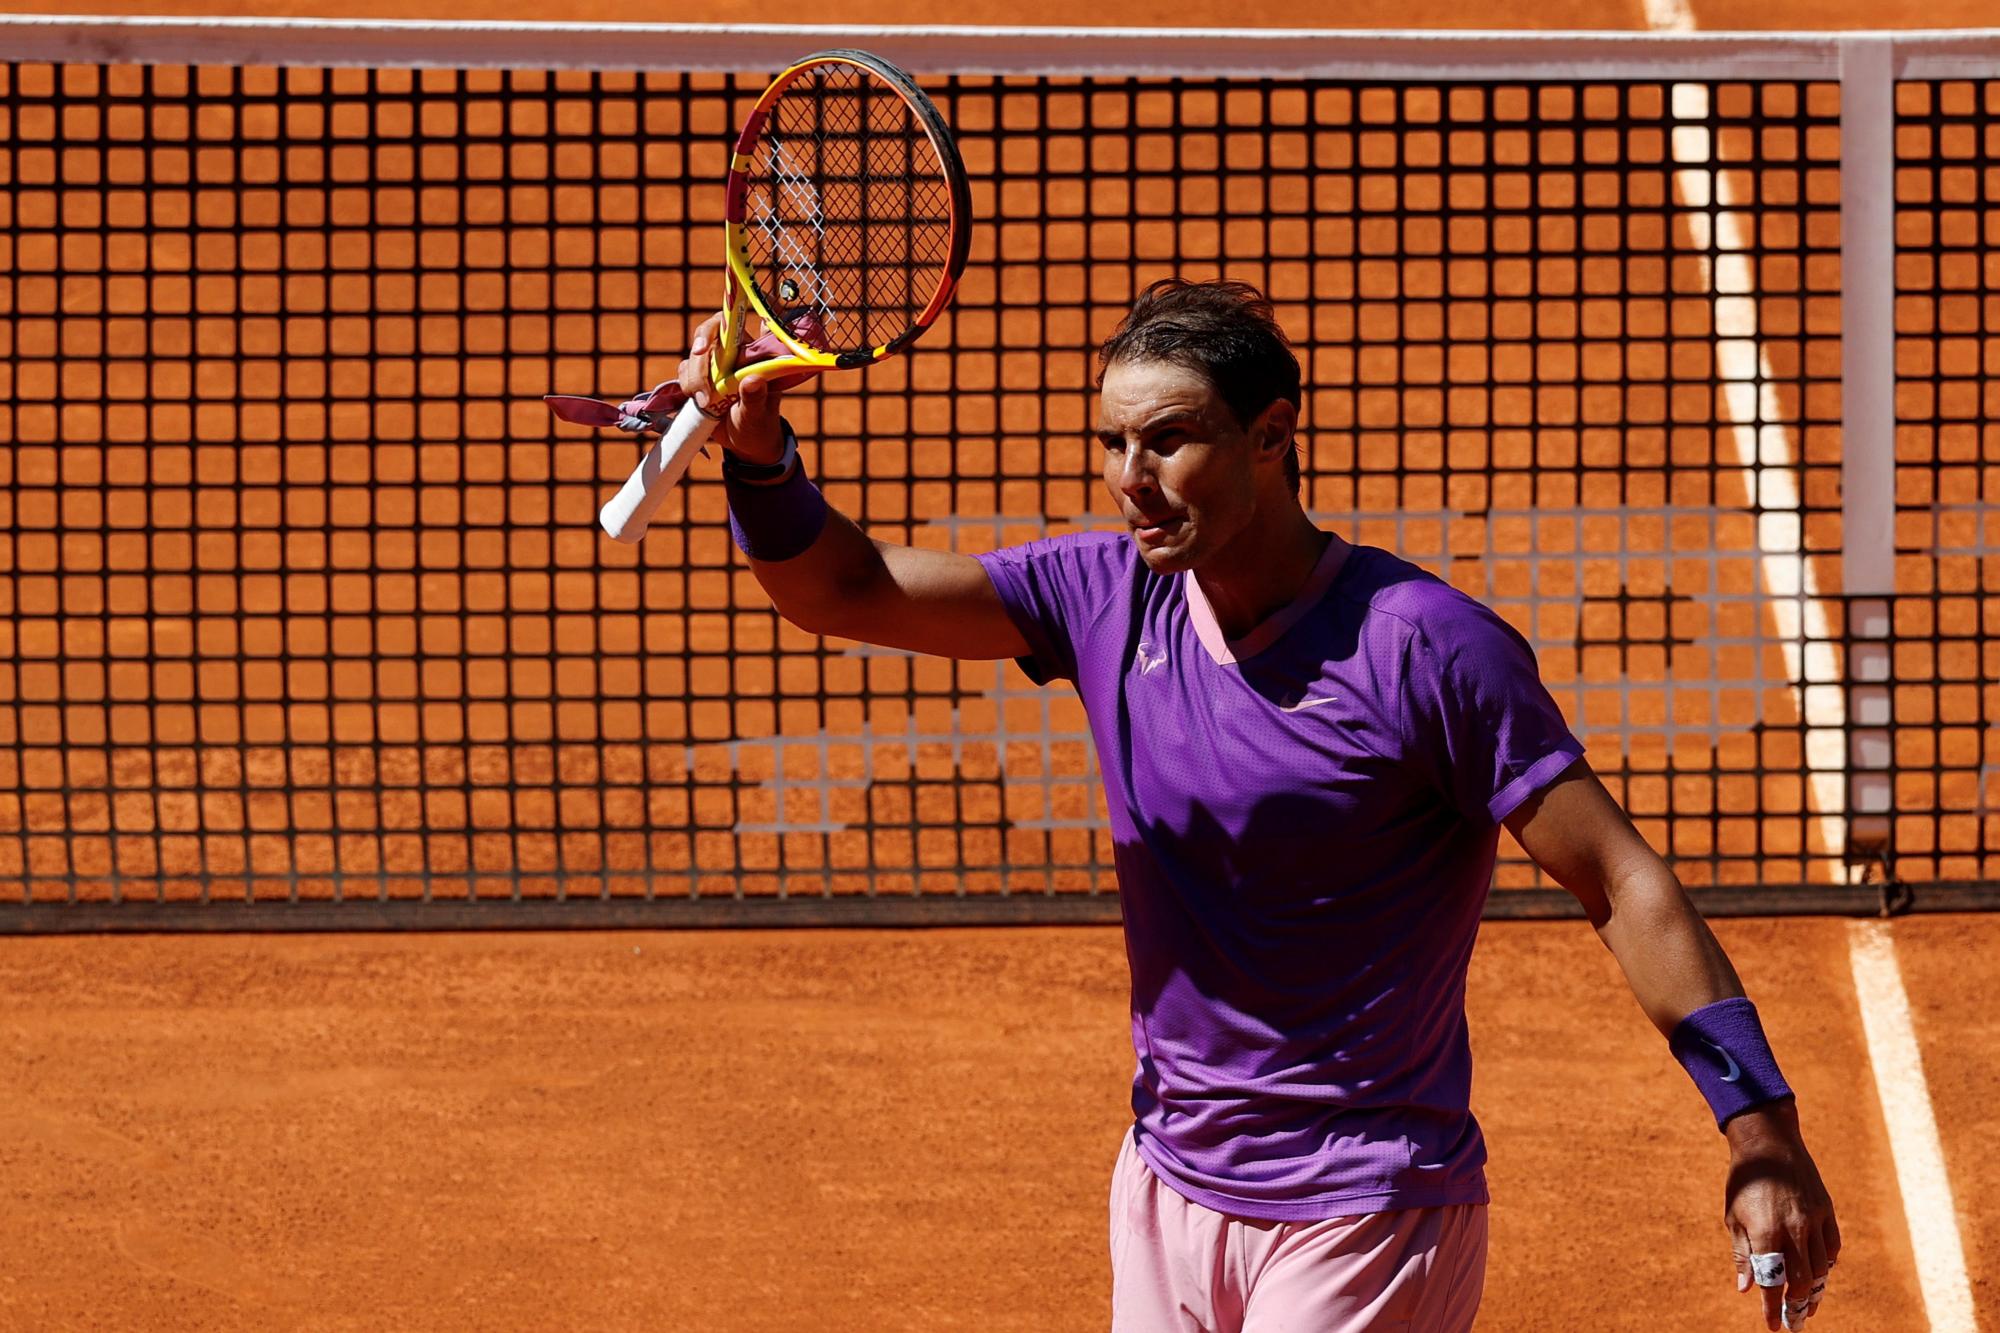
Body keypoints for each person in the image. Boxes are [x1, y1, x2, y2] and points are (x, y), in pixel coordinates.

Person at [680, 279, 1839, 1332]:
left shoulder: (1423, 649)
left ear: (1273, 434)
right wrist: (759, 451)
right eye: (1112, 442)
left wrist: (1758, 1132)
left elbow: (1616, 875)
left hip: (1362, 1204)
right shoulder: (1103, 598)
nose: (1131, 477)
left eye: (1169, 440)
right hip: (1167, 1183)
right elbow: (844, 587)